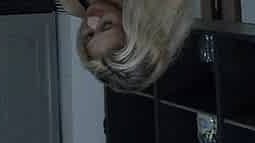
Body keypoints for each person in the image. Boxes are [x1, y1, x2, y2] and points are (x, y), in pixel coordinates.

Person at [59, 0, 193, 92]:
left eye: (89, 34)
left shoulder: (72, 5)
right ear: (134, 23)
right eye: (107, 25)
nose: (91, 21)